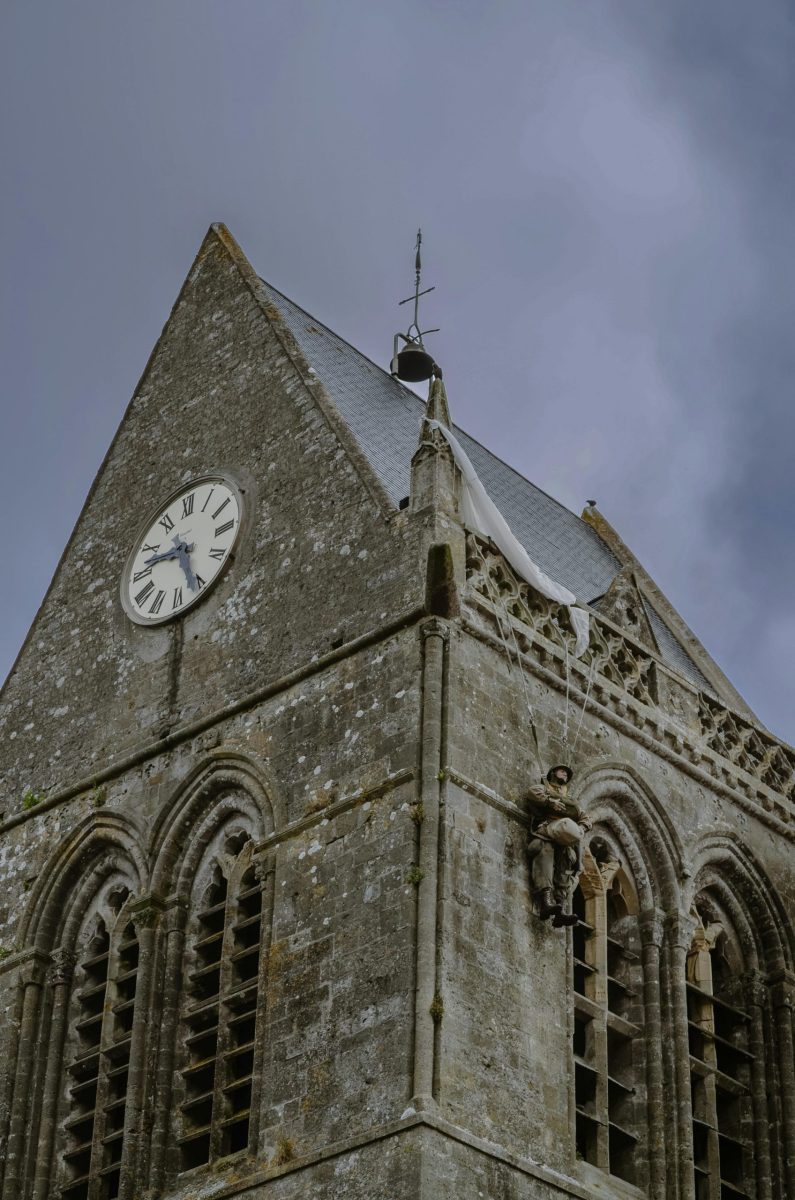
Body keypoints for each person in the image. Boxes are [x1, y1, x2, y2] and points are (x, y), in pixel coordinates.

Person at [526, 765, 591, 928]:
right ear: (553, 773)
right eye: (562, 771)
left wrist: (581, 828)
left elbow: (586, 818)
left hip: (563, 838)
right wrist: (550, 802)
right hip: (546, 831)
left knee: (567, 863)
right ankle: (546, 900)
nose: (565, 774)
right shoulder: (546, 788)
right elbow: (533, 792)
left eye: (567, 773)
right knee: (544, 851)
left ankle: (560, 908)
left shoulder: (570, 800)